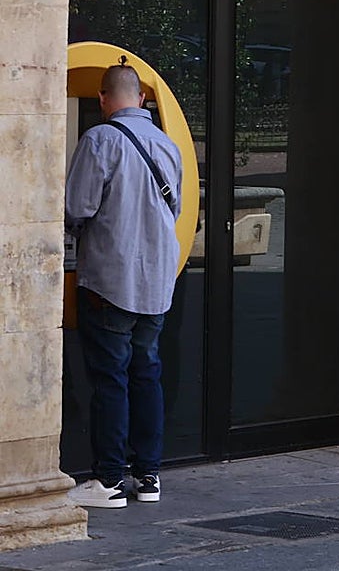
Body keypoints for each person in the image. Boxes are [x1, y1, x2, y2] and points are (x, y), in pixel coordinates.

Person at [65, 64, 183, 509]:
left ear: (101, 99)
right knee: (146, 372)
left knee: (110, 379)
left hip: (110, 281)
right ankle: (147, 475)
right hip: (155, 282)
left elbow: (78, 206)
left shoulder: (100, 140)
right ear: (142, 99)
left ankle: (109, 480)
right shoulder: (167, 145)